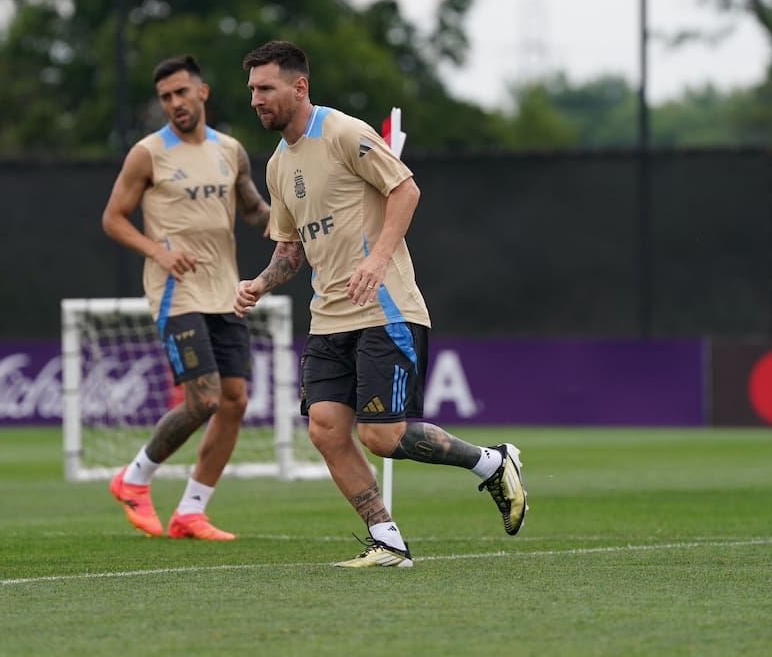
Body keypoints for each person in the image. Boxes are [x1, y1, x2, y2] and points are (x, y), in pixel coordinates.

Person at [233, 40, 527, 567]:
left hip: (385, 309)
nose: (255, 99)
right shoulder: (278, 165)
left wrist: (376, 261)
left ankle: (491, 462)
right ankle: (386, 539)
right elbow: (290, 249)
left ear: (299, 87)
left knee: (380, 435)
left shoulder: (344, 131)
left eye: (266, 88)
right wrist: (260, 282)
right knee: (324, 427)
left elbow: (406, 190)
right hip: (328, 319)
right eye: (252, 89)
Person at [102, 54, 271, 541]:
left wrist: (293, 220)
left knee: (235, 401)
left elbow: (254, 210)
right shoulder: (148, 154)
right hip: (176, 292)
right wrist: (158, 251)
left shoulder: (231, 150)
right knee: (204, 398)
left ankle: (191, 512)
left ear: (203, 93)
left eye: (181, 93)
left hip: (226, 290)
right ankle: (133, 479)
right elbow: (113, 218)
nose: (174, 103)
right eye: (165, 97)